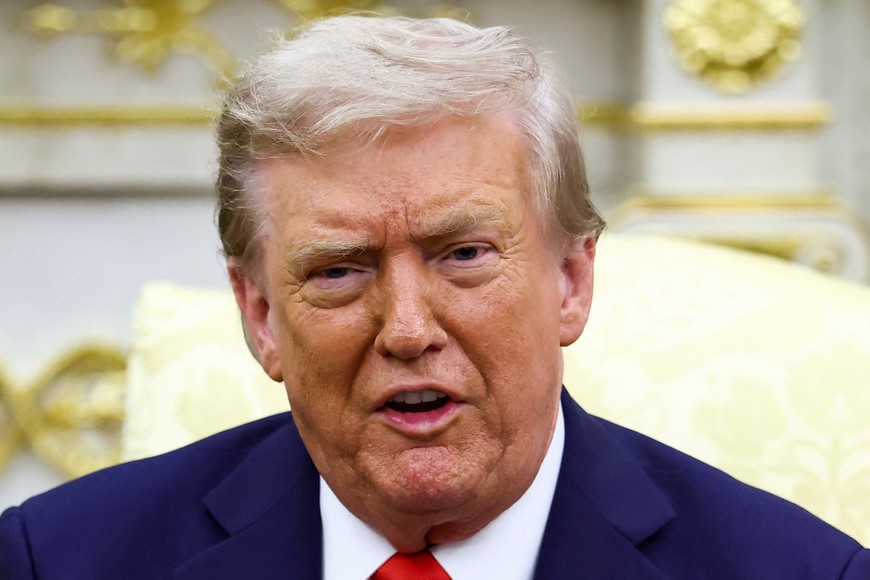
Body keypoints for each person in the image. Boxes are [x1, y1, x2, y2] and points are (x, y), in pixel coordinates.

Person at [1, 15, 868, 580]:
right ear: (260, 315)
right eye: (340, 270)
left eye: (462, 255)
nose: (408, 331)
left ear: (571, 280)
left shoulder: (796, 572)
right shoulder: (60, 560)